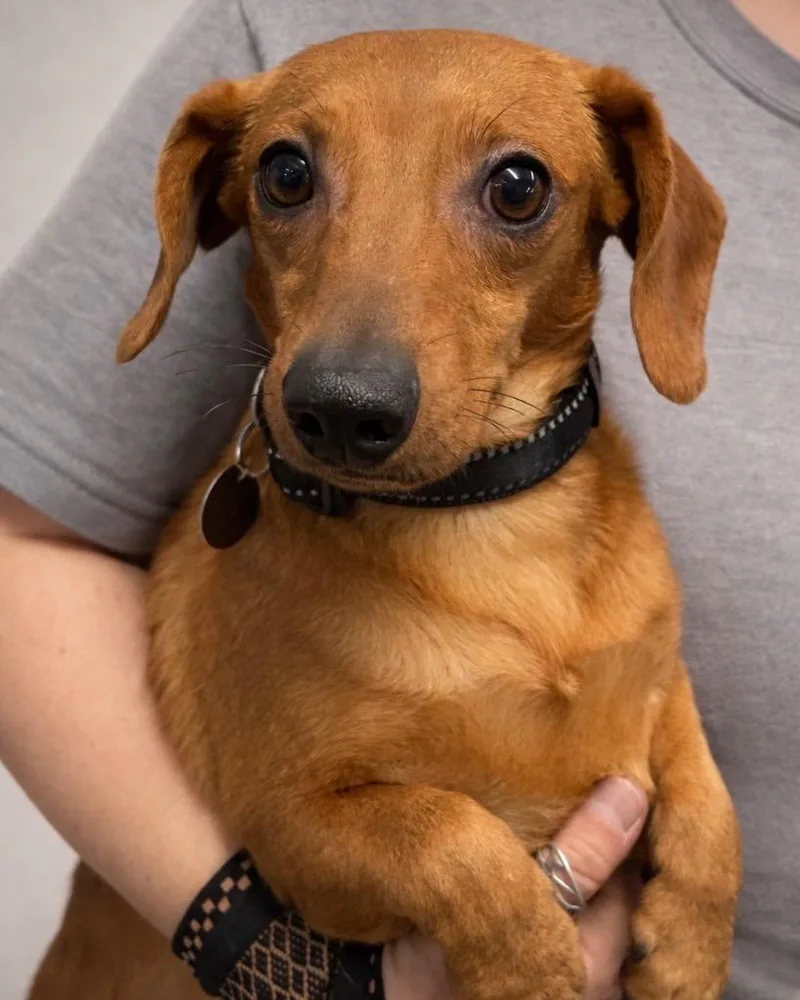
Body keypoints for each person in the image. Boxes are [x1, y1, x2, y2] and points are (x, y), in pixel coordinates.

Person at [0, 0, 797, 997]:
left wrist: (701, 836)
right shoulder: (280, 18)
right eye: (290, 181)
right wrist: (318, 973)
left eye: (512, 193)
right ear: (222, 198)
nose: (353, 379)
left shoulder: (620, 538)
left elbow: (642, 680)